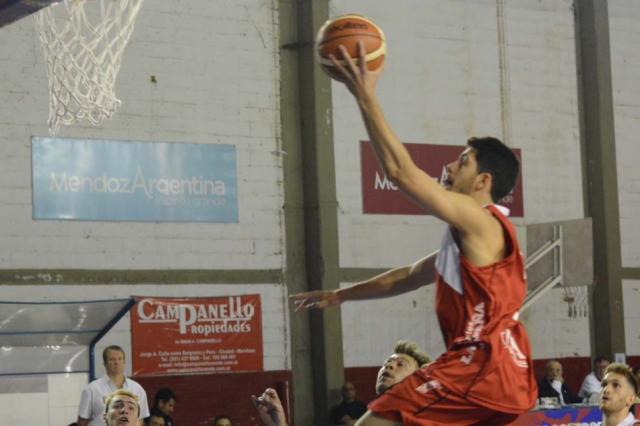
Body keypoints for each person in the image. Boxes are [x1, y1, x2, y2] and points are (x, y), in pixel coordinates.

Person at [291, 41, 537, 425]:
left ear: (483, 181)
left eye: (462, 161)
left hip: (478, 368)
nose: (450, 167)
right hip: (510, 378)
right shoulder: (475, 240)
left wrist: (364, 95)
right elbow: (405, 276)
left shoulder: (479, 219)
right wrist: (339, 295)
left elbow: (400, 173)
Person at [252, 340, 430, 426]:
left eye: (400, 364)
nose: (389, 366)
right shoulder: (375, 413)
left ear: (417, 378)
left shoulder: (422, 417)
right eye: (386, 363)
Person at [77, 345, 150, 426]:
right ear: (105, 363)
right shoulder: (91, 389)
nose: (116, 362)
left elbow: (140, 420)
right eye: (112, 359)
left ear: (124, 362)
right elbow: (82, 421)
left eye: (120, 359)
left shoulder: (137, 389)